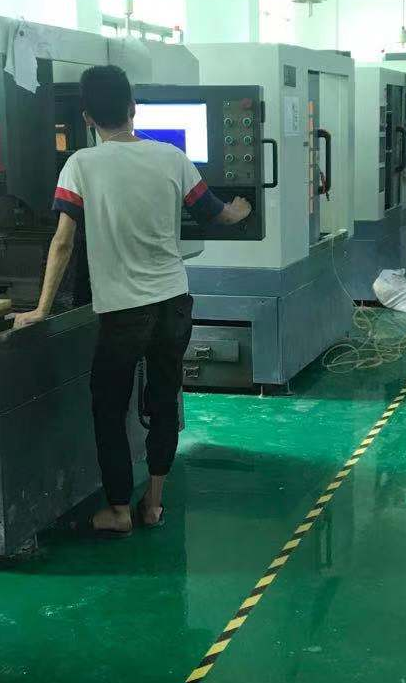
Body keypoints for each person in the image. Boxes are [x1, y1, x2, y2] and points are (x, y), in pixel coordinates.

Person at [13, 65, 252, 536]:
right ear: (132, 108)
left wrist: (41, 309)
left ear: (87, 117)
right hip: (173, 302)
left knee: (109, 407)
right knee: (163, 400)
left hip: (123, 311)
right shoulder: (172, 157)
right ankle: (154, 502)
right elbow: (216, 214)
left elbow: (63, 242)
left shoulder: (80, 165)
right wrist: (240, 211)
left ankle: (119, 509)